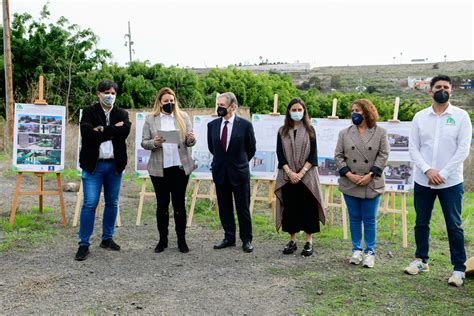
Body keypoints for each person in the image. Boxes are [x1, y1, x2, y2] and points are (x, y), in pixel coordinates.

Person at [404, 75, 472, 287]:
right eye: (438, 87)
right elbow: (413, 147)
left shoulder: (461, 116)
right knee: (421, 222)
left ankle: (459, 268)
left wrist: (442, 172)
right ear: (430, 91)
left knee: (454, 224)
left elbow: (463, 149)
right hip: (423, 180)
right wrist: (427, 170)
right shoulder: (420, 117)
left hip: (450, 181)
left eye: (446, 87)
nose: (442, 90)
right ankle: (421, 260)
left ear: (451, 91)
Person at [75, 80, 132, 261]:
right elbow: (88, 135)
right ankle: (84, 244)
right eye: (107, 92)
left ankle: (107, 238)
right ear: (99, 94)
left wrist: (101, 130)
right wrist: (113, 129)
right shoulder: (89, 112)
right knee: (90, 203)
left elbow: (124, 133)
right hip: (94, 166)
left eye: (113, 93)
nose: (110, 96)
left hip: (114, 165)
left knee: (112, 203)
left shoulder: (122, 113)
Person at [334, 99, 389, 268]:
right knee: (355, 218)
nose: (354, 113)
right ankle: (356, 249)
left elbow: (383, 154)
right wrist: (349, 175)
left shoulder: (380, 132)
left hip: (371, 183)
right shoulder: (344, 133)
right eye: (352, 110)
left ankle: (370, 252)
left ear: (367, 112)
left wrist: (371, 175)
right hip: (350, 183)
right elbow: (338, 156)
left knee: (370, 219)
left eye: (357, 110)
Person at [141, 87, 196, 253]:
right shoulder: (151, 119)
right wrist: (155, 142)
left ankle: (181, 240)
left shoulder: (183, 116)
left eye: (172, 101)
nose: (169, 104)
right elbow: (144, 142)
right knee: (162, 204)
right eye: (166, 101)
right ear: (160, 102)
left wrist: (191, 140)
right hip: (159, 169)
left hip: (179, 167)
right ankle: (162, 240)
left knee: (179, 204)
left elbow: (189, 142)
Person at [274, 98, 326, 257]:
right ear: (289, 112)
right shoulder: (282, 131)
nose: (296, 113)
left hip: (307, 177)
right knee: (291, 209)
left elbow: (313, 155)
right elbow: (280, 155)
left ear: (304, 112)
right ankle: (292, 240)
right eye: (293, 110)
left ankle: (309, 241)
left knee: (308, 209)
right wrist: (290, 173)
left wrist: (301, 173)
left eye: (299, 110)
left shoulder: (310, 130)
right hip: (288, 177)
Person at [207, 92, 256, 253]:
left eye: (222, 105)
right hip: (221, 172)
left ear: (233, 106)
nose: (219, 108)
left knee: (243, 207)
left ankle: (246, 239)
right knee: (224, 207)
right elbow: (212, 148)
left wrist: (238, 163)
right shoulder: (212, 125)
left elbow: (251, 149)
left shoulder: (245, 125)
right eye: (218, 105)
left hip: (239, 173)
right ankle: (229, 237)